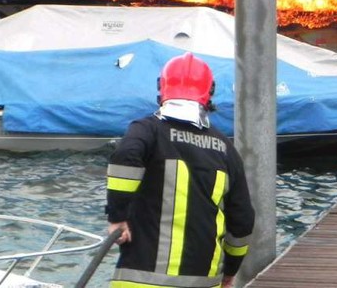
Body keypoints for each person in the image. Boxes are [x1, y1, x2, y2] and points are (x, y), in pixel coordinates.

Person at [106, 52, 255, 288]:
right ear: (209, 92)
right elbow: (243, 221)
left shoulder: (146, 131)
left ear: (162, 88)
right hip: (204, 281)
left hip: (141, 280)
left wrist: (117, 217)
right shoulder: (225, 149)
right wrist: (230, 271)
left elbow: (125, 156)